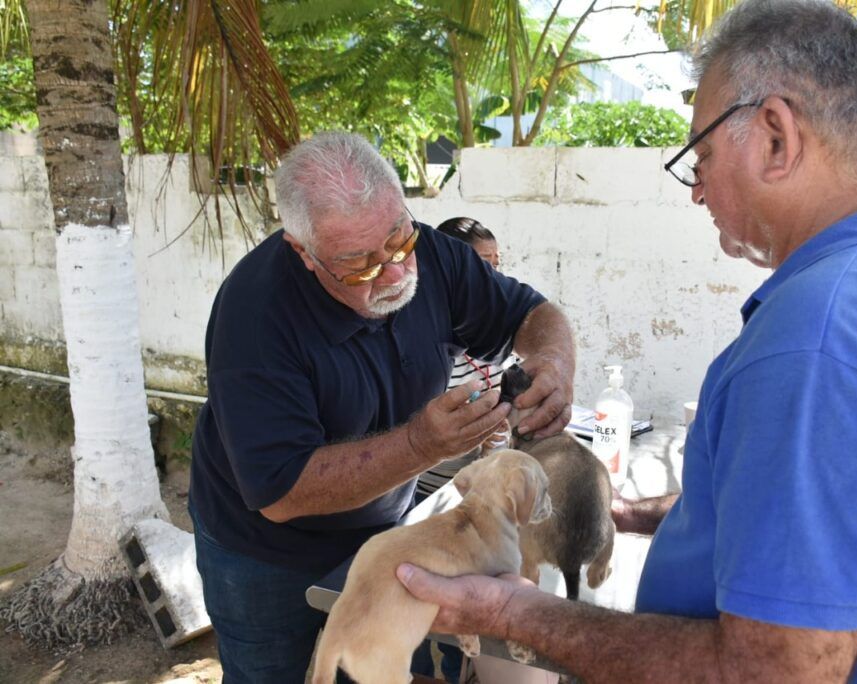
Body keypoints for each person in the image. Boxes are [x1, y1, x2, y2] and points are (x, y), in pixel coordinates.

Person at [396, 1, 857, 682]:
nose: (696, 193)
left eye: (701, 159)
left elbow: (773, 673)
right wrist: (643, 513)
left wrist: (509, 612)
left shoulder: (822, 341)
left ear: (777, 137)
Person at [187, 131, 575, 683]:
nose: (394, 274)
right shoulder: (255, 317)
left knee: (385, 669)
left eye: (399, 243)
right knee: (271, 674)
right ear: (304, 251)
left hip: (389, 528)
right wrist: (422, 445)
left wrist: (553, 367)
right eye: (359, 265)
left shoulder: (433, 254)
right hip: (264, 553)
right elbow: (281, 491)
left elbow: (533, 316)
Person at [415, 216, 511, 503]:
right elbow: (412, 432)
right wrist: (472, 431)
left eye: (497, 263)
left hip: (476, 490)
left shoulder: (497, 331)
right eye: (484, 263)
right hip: (427, 496)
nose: (495, 275)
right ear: (452, 267)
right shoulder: (422, 342)